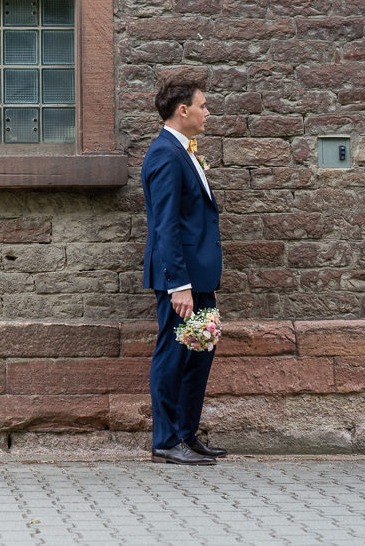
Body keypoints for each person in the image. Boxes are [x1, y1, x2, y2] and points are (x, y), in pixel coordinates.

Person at [141, 79, 227, 466]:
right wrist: (179, 286)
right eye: (203, 106)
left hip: (200, 278)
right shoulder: (164, 155)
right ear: (183, 110)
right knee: (173, 357)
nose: (207, 112)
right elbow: (166, 226)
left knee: (199, 357)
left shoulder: (186, 152)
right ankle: (164, 441)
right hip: (181, 282)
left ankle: (186, 435)